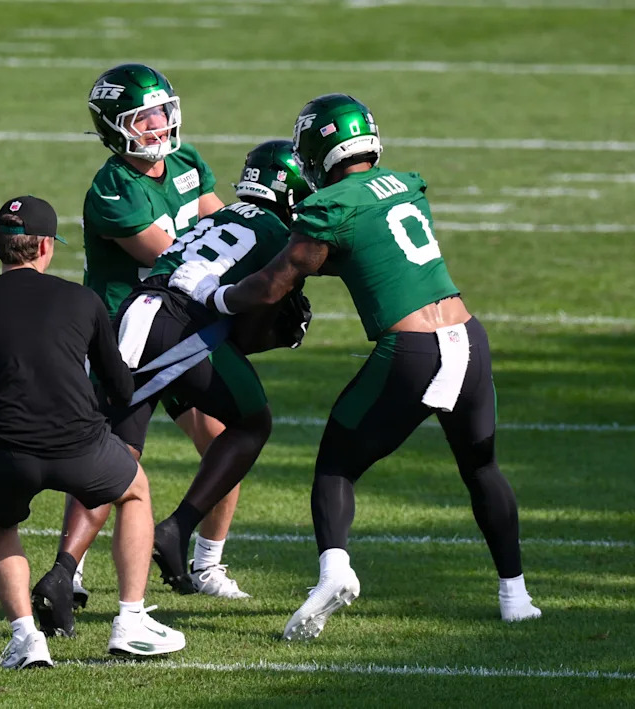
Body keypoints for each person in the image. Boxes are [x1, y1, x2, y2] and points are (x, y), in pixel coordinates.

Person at [170, 94, 542, 641]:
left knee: (335, 468)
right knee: (482, 468)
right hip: (468, 335)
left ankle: (334, 572)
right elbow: (366, 252)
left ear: (318, 149)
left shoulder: (331, 206)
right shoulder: (406, 185)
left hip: (414, 351)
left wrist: (218, 294)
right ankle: (517, 597)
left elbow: (277, 281)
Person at [30, 141, 315, 636]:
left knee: (117, 455)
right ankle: (177, 529)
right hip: (179, 324)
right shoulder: (274, 230)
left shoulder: (214, 220)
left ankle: (60, 574)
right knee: (252, 421)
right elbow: (252, 307)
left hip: (135, 315)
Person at [0, 195, 185, 669]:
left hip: (6, 453)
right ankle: (130, 622)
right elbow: (119, 385)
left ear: (1, 246)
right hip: (80, 444)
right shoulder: (83, 300)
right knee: (134, 492)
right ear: (42, 247)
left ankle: (26, 639)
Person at [43, 62, 244, 614]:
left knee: (225, 440)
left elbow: (226, 228)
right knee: (111, 458)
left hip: (178, 329)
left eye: (161, 112)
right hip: (125, 338)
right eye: (143, 117)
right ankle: (72, 570)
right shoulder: (113, 188)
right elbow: (175, 256)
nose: (158, 125)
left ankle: (207, 561)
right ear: (113, 127)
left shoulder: (186, 160)